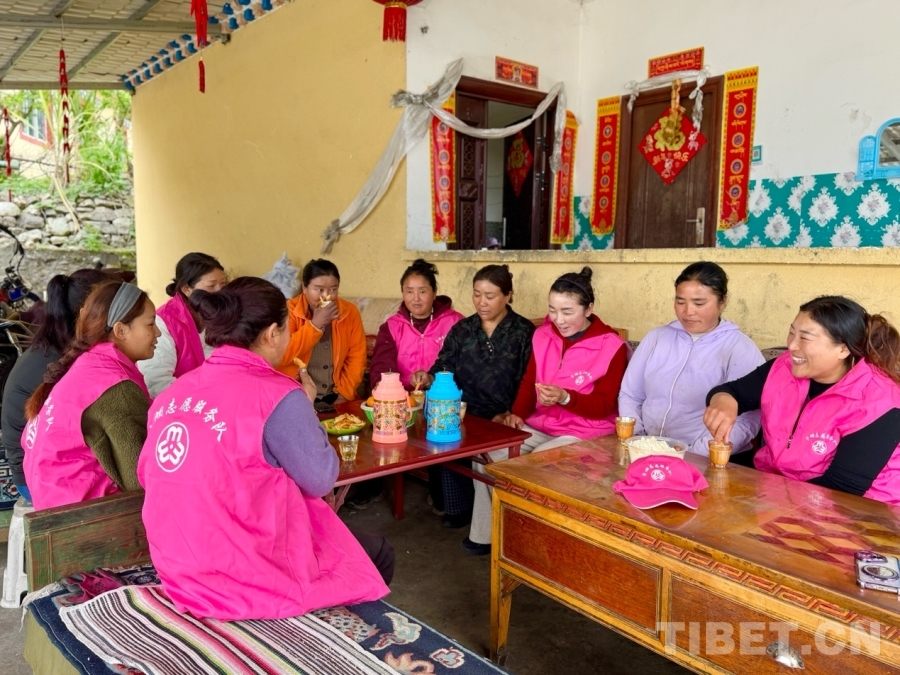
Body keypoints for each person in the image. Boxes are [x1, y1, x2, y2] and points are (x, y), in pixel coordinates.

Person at [138, 277, 392, 620]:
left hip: (178, 566)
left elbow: (149, 475)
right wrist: (306, 407)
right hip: (244, 576)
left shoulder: (173, 394)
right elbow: (321, 479)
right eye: (288, 328)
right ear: (273, 333)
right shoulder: (278, 395)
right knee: (378, 553)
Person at [464, 267, 628, 555]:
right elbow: (530, 382)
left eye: (567, 311)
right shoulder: (542, 335)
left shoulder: (611, 346)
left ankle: (526, 543)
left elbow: (604, 404)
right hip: (541, 423)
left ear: (589, 309)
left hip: (586, 432)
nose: (558, 319)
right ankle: (488, 534)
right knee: (488, 454)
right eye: (553, 310)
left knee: (538, 464)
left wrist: (566, 397)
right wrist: (517, 414)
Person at [704, 296, 900, 504]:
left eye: (805, 338)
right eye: (791, 333)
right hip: (781, 490)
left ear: (843, 349)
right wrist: (723, 401)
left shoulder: (881, 400)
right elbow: (733, 391)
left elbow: (843, 489)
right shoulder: (783, 368)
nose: (791, 345)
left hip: (863, 510)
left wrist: (765, 499)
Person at [411, 264, 535, 528]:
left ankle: (487, 520)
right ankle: (456, 508)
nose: (481, 302)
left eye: (490, 296)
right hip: (465, 410)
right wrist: (429, 377)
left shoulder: (524, 332)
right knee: (442, 434)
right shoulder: (463, 330)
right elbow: (444, 366)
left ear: (508, 295)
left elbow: (530, 378)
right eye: (477, 294)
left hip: (503, 414)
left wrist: (512, 413)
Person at [23, 281, 159, 510]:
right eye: (151, 323)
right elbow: (139, 481)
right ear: (121, 331)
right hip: (88, 515)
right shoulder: (116, 387)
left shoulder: (89, 364)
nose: (158, 332)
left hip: (52, 505)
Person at [351, 259, 465, 510]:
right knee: (377, 431)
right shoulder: (392, 326)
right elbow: (381, 367)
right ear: (402, 293)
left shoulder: (455, 323)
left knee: (441, 433)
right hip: (403, 399)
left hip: (442, 397)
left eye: (422, 291)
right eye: (409, 291)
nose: (416, 298)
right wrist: (393, 394)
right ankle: (372, 487)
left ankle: (443, 496)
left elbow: (463, 363)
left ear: (434, 292)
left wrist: (434, 380)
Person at [618, 262, 763, 457]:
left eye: (699, 303)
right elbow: (630, 394)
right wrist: (638, 439)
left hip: (708, 458)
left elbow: (747, 419)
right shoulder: (657, 337)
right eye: (680, 302)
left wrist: (694, 454)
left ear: (722, 301)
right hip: (646, 449)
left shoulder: (739, 347)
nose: (688, 312)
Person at [1, 269, 110, 503]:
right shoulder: (60, 363)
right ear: (88, 312)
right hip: (33, 479)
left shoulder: (55, 345)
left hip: (37, 467)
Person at [277, 259, 366, 405]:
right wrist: (315, 325)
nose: (327, 296)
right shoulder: (288, 311)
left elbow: (357, 357)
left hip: (336, 396)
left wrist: (344, 394)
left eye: (333, 289)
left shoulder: (349, 312)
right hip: (297, 396)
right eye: (319, 290)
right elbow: (284, 355)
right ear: (304, 288)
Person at [138, 252, 226, 397]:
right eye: (211, 286)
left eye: (223, 284)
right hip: (182, 403)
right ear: (186, 289)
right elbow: (156, 382)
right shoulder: (163, 323)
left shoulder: (220, 313)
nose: (220, 291)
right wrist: (203, 398)